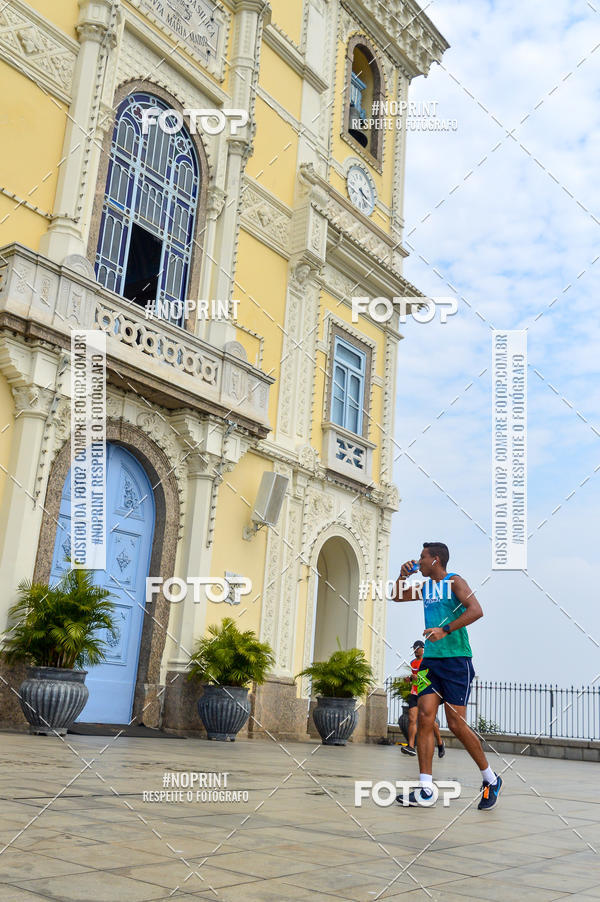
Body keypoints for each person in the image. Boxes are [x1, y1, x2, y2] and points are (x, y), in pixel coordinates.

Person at [393, 542, 502, 810]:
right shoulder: (425, 587)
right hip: (430, 662)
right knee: (425, 717)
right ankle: (426, 790)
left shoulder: (455, 582)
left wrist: (446, 629)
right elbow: (396, 596)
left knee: (455, 724)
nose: (418, 561)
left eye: (422, 557)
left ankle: (490, 779)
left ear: (436, 560)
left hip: (456, 662)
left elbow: (476, 609)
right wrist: (402, 576)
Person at [401, 640, 445, 759]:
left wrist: (418, 678)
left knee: (430, 722)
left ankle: (440, 743)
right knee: (412, 718)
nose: (415, 651)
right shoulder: (412, 663)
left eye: (417, 648)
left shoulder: (428, 662)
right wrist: (410, 679)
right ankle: (411, 746)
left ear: (423, 649)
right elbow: (415, 678)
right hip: (415, 693)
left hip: (426, 693)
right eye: (413, 649)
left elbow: (429, 679)